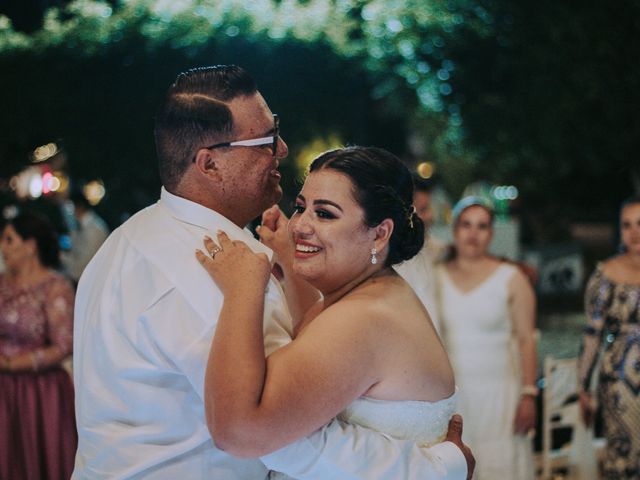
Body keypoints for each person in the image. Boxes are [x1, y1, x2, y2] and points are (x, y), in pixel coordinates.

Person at [72, 65, 473, 479]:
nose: (281, 149)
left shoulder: (125, 240)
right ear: (210, 165)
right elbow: (285, 438)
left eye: (324, 212)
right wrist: (441, 466)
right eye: (266, 140)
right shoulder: (227, 268)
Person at [196, 146, 468, 476]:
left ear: (379, 233)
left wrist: (241, 291)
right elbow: (315, 340)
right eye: (300, 208)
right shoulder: (373, 293)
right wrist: (291, 262)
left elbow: (238, 432)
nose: (298, 226)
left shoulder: (366, 317)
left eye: (324, 214)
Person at [435, 196, 537, 479]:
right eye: (466, 225)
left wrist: (529, 394)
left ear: (491, 233)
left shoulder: (512, 277)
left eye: (482, 226)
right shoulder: (436, 276)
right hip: (454, 393)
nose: (473, 233)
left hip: (500, 393)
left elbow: (527, 339)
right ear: (455, 230)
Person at [0, 211, 77, 480]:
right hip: (4, 391)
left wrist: (12, 364)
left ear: (30, 245)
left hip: (39, 392)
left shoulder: (55, 287)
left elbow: (64, 344)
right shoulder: (1, 283)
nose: (2, 246)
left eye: (9, 239)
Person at [578, 195, 640, 479]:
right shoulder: (605, 276)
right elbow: (592, 335)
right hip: (620, 381)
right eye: (627, 225)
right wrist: (583, 388)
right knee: (622, 453)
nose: (634, 232)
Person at [395, 175, 447, 331]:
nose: (430, 216)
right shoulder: (385, 259)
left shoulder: (436, 250)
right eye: (423, 210)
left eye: (429, 208)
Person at [61, 190, 109, 283]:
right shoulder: (79, 227)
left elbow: (83, 267)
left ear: (79, 207)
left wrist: (62, 257)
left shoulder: (95, 230)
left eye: (69, 208)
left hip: (94, 282)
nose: (67, 213)